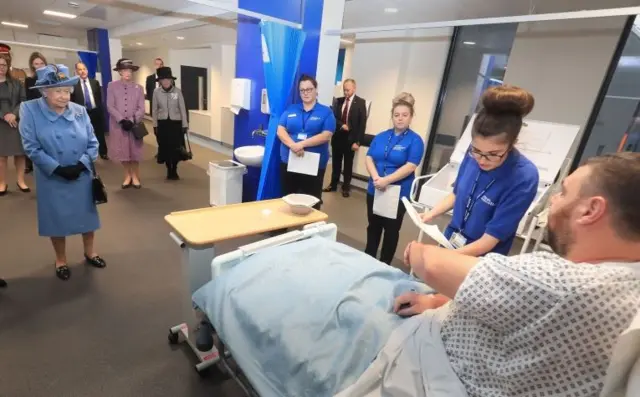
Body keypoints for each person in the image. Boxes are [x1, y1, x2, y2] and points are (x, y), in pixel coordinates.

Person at [395, 152, 640, 396]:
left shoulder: (564, 285)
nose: (554, 199)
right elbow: (508, 303)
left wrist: (417, 250)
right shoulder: (624, 278)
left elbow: (431, 263)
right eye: (476, 151)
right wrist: (436, 301)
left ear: (591, 209)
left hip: (444, 366)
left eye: (564, 192)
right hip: (455, 318)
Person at [421, 85, 539, 256]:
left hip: (482, 253)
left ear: (513, 143)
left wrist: (445, 258)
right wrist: (430, 215)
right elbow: (457, 194)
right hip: (452, 238)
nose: (482, 160)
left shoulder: (523, 177)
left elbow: (490, 240)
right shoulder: (473, 154)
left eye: (493, 154)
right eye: (477, 151)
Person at [19, 64, 106, 281]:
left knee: (86, 217)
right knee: (56, 220)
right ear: (44, 92)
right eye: (58, 91)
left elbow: (93, 143)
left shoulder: (80, 111)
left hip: (81, 173)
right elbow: (31, 147)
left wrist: (82, 163)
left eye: (67, 91)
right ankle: (61, 260)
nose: (64, 96)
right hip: (52, 176)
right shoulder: (29, 110)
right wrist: (56, 168)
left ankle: (90, 252)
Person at [364, 93, 424, 265]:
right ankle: (368, 258)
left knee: (391, 230)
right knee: (373, 226)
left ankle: (384, 263)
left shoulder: (415, 140)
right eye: (396, 115)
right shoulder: (382, 136)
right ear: (392, 116)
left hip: (397, 193)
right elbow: (369, 157)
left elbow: (411, 166)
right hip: (375, 187)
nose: (400, 119)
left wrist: (386, 180)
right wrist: (376, 178)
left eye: (405, 115)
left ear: (411, 117)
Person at [277, 75, 336, 209]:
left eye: (309, 89)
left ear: (316, 90)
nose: (306, 93)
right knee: (288, 195)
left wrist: (301, 144)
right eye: (302, 90)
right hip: (289, 160)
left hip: (313, 163)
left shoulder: (326, 112)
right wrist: (293, 145)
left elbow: (326, 135)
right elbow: (280, 130)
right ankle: (285, 227)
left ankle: (310, 228)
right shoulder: (291, 109)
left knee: (312, 198)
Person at [324, 78, 367, 197]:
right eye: (344, 90)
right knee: (336, 163)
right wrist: (341, 125)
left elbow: (362, 124)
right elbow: (333, 118)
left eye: (348, 90)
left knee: (348, 164)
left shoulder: (360, 103)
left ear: (354, 88)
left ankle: (346, 187)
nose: (346, 92)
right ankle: (333, 184)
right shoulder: (338, 101)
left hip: (351, 140)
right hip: (338, 138)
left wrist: (358, 142)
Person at [107, 58, 145, 189]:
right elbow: (110, 106)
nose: (127, 73)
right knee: (122, 151)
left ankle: (135, 175)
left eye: (129, 70)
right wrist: (122, 119)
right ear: (120, 72)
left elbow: (142, 108)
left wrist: (133, 119)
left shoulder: (139, 88)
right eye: (124, 70)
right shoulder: (112, 86)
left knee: (134, 151)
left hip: (134, 125)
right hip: (119, 125)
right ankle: (127, 175)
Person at [0, 53, 29, 195]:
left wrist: (14, 114)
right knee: (1, 156)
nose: (1, 68)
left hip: (16, 121)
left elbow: (23, 100)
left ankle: (21, 181)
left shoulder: (17, 83)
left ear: (8, 66)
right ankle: (2, 183)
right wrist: (4, 115)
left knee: (20, 153)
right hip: (1, 123)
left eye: (4, 65)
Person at [152, 66, 188, 180]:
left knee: (176, 148)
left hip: (176, 124)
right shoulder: (156, 92)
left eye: (168, 79)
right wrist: (154, 125)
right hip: (163, 124)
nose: (166, 81)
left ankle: (174, 169)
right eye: (163, 79)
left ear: (171, 80)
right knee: (165, 147)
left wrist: (185, 125)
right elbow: (154, 109)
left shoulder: (177, 91)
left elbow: (182, 108)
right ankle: (168, 169)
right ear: (160, 81)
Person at [71, 61, 108, 160]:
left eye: (84, 69)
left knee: (100, 133)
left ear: (87, 70)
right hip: (82, 114)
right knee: (84, 135)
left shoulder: (94, 82)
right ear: (76, 71)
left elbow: (99, 98)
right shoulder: (74, 85)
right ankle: (87, 155)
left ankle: (103, 152)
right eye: (80, 69)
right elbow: (72, 102)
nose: (82, 71)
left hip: (96, 112)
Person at [24, 52, 48, 173]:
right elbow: (28, 98)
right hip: (36, 112)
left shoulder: (50, 79)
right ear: (32, 66)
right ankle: (30, 164)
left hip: (50, 112)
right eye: (36, 64)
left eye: (41, 63)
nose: (39, 66)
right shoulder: (29, 80)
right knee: (34, 139)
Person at [146, 57, 163, 158]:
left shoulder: (167, 79)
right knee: (157, 131)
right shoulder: (149, 79)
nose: (159, 66)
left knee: (165, 131)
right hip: (155, 109)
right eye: (157, 64)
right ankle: (160, 149)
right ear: (154, 65)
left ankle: (165, 150)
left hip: (166, 111)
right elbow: (149, 94)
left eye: (160, 64)